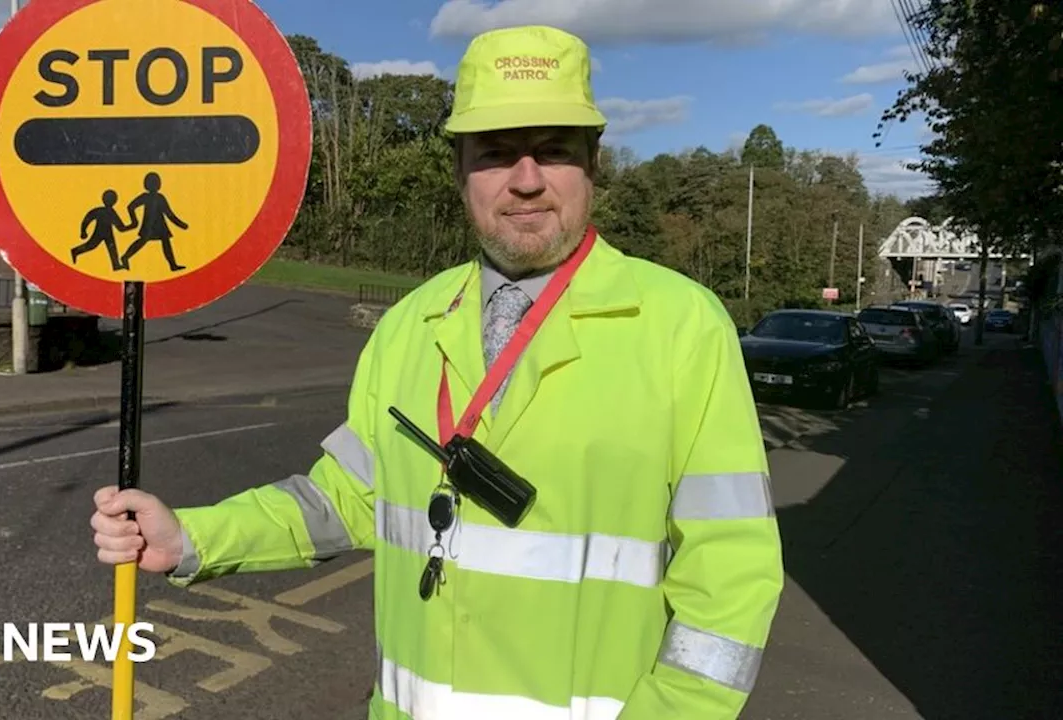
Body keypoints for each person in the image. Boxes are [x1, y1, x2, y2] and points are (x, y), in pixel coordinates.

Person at [91, 24, 784, 720]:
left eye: (552, 151)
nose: (526, 179)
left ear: (593, 163)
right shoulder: (409, 325)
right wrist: (193, 537)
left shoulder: (682, 326)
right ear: (459, 170)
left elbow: (730, 578)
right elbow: (344, 500)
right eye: (494, 154)